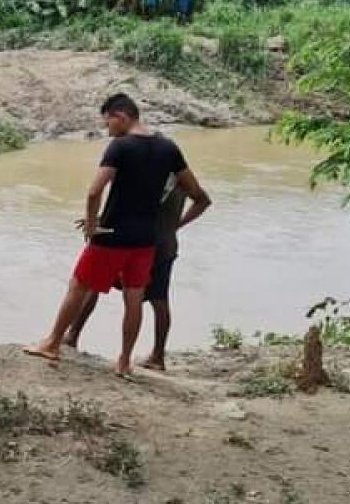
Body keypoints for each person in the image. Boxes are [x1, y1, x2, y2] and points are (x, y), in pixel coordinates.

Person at [24, 93, 211, 375]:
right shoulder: (168, 148)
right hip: (146, 241)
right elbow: (198, 194)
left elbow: (94, 191)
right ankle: (124, 362)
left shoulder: (120, 147)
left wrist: (91, 224)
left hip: (112, 235)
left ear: (121, 116)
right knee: (134, 300)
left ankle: (52, 343)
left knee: (79, 286)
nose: (107, 128)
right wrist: (173, 227)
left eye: (108, 122)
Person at [65, 180, 187, 371]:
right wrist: (174, 226)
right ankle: (157, 355)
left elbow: (133, 208)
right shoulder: (181, 178)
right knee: (158, 299)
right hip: (164, 245)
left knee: (95, 285)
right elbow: (203, 200)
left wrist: (99, 221)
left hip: (135, 242)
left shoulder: (156, 174)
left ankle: (73, 336)